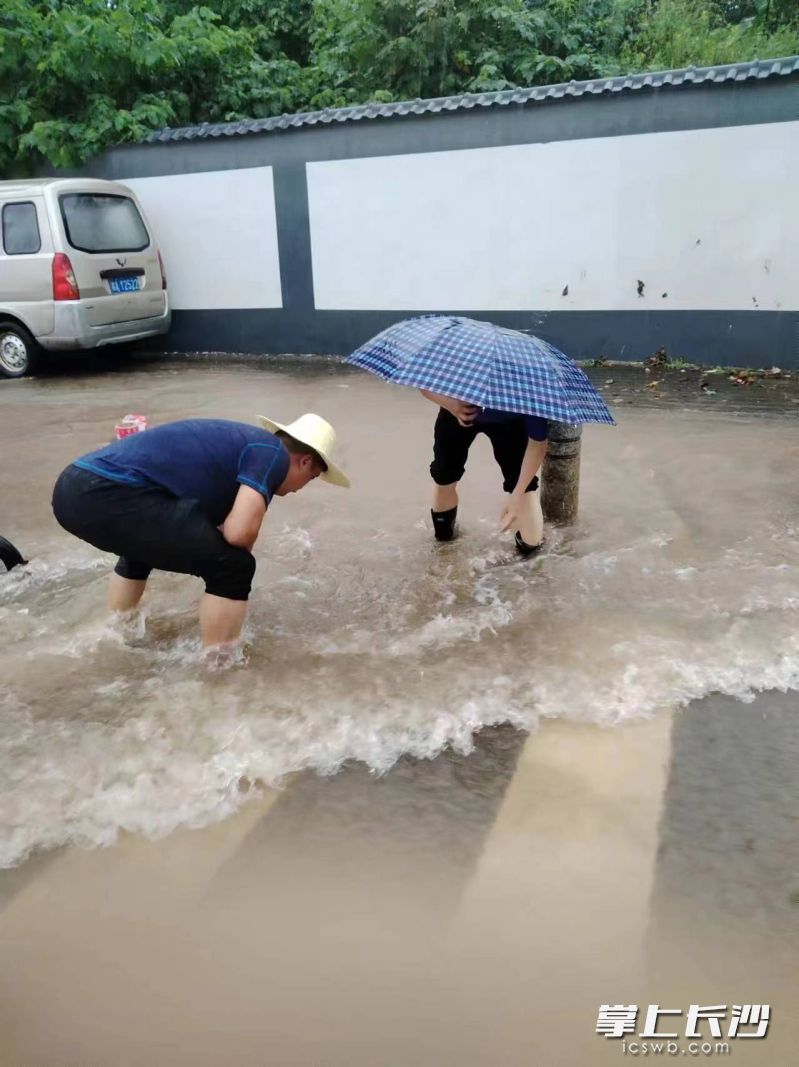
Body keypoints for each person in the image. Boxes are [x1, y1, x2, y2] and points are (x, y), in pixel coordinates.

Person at [51, 413, 349, 649]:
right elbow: (238, 535)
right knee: (234, 566)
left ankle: (117, 632)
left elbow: (198, 527)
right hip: (107, 492)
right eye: (309, 479)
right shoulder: (272, 453)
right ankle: (218, 667)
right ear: (305, 461)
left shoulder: (238, 448)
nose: (300, 490)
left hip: (73, 488)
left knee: (145, 546)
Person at [420, 391, 547, 554]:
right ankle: (444, 546)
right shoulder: (530, 380)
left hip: (511, 421)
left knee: (531, 538)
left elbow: (537, 446)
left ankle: (529, 562)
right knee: (444, 477)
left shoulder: (531, 386)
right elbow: (422, 383)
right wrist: (452, 405)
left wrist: (516, 496)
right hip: (458, 408)